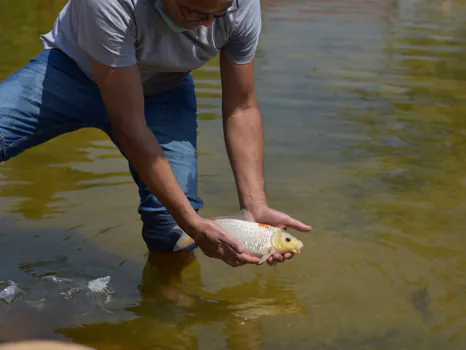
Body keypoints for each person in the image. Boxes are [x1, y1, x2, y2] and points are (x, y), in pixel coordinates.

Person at [0, 0, 312, 267]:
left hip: (163, 91)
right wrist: (192, 221)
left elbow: (241, 107)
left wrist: (254, 208)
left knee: (173, 231)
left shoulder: (241, 6)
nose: (206, 26)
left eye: (217, 15)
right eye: (194, 12)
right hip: (70, 72)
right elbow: (129, 125)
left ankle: (169, 314)